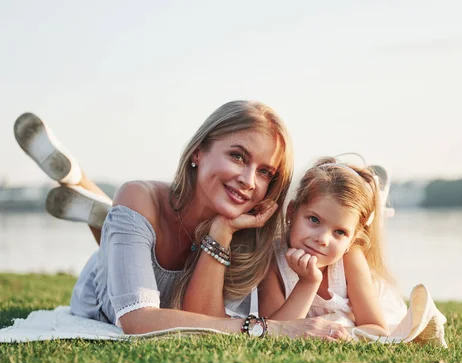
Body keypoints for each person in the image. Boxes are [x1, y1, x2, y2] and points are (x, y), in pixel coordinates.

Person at [13, 102, 351, 339]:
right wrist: (269, 328)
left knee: (130, 228)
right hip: (104, 291)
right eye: (238, 156)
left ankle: (98, 205)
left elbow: (207, 321)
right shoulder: (140, 196)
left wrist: (221, 231)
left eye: (265, 172)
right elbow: (137, 319)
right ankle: (92, 194)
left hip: (173, 282)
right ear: (197, 152)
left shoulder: (250, 228)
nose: (249, 180)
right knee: (131, 216)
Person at [257, 158, 409, 337]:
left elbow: (377, 329)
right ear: (291, 212)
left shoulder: (350, 258)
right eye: (314, 220)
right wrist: (308, 283)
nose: (322, 239)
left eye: (339, 232)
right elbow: (274, 330)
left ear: (351, 240)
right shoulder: (274, 262)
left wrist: (337, 334)